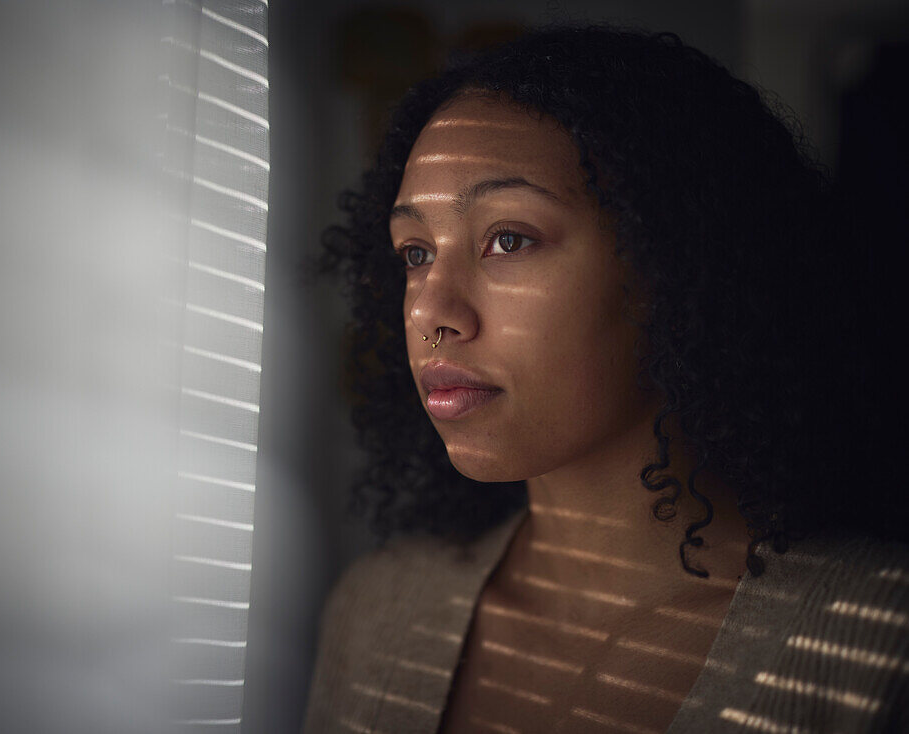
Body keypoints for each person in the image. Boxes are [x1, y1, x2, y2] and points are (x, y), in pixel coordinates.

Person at [304, 24, 908, 734]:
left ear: (677, 266)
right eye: (414, 252)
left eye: (508, 239)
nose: (432, 316)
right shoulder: (377, 614)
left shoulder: (872, 641)